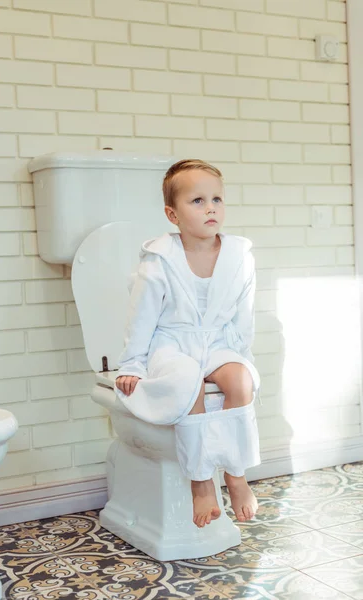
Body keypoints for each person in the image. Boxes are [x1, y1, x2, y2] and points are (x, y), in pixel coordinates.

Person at [114, 159, 261, 529]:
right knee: (188, 382)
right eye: (197, 201)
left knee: (240, 380)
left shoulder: (238, 256)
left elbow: (244, 315)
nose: (210, 207)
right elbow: (141, 316)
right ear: (172, 214)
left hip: (217, 341)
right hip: (171, 343)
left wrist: (240, 357)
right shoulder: (159, 259)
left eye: (217, 199)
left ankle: (236, 473)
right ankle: (201, 482)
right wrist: (132, 363)